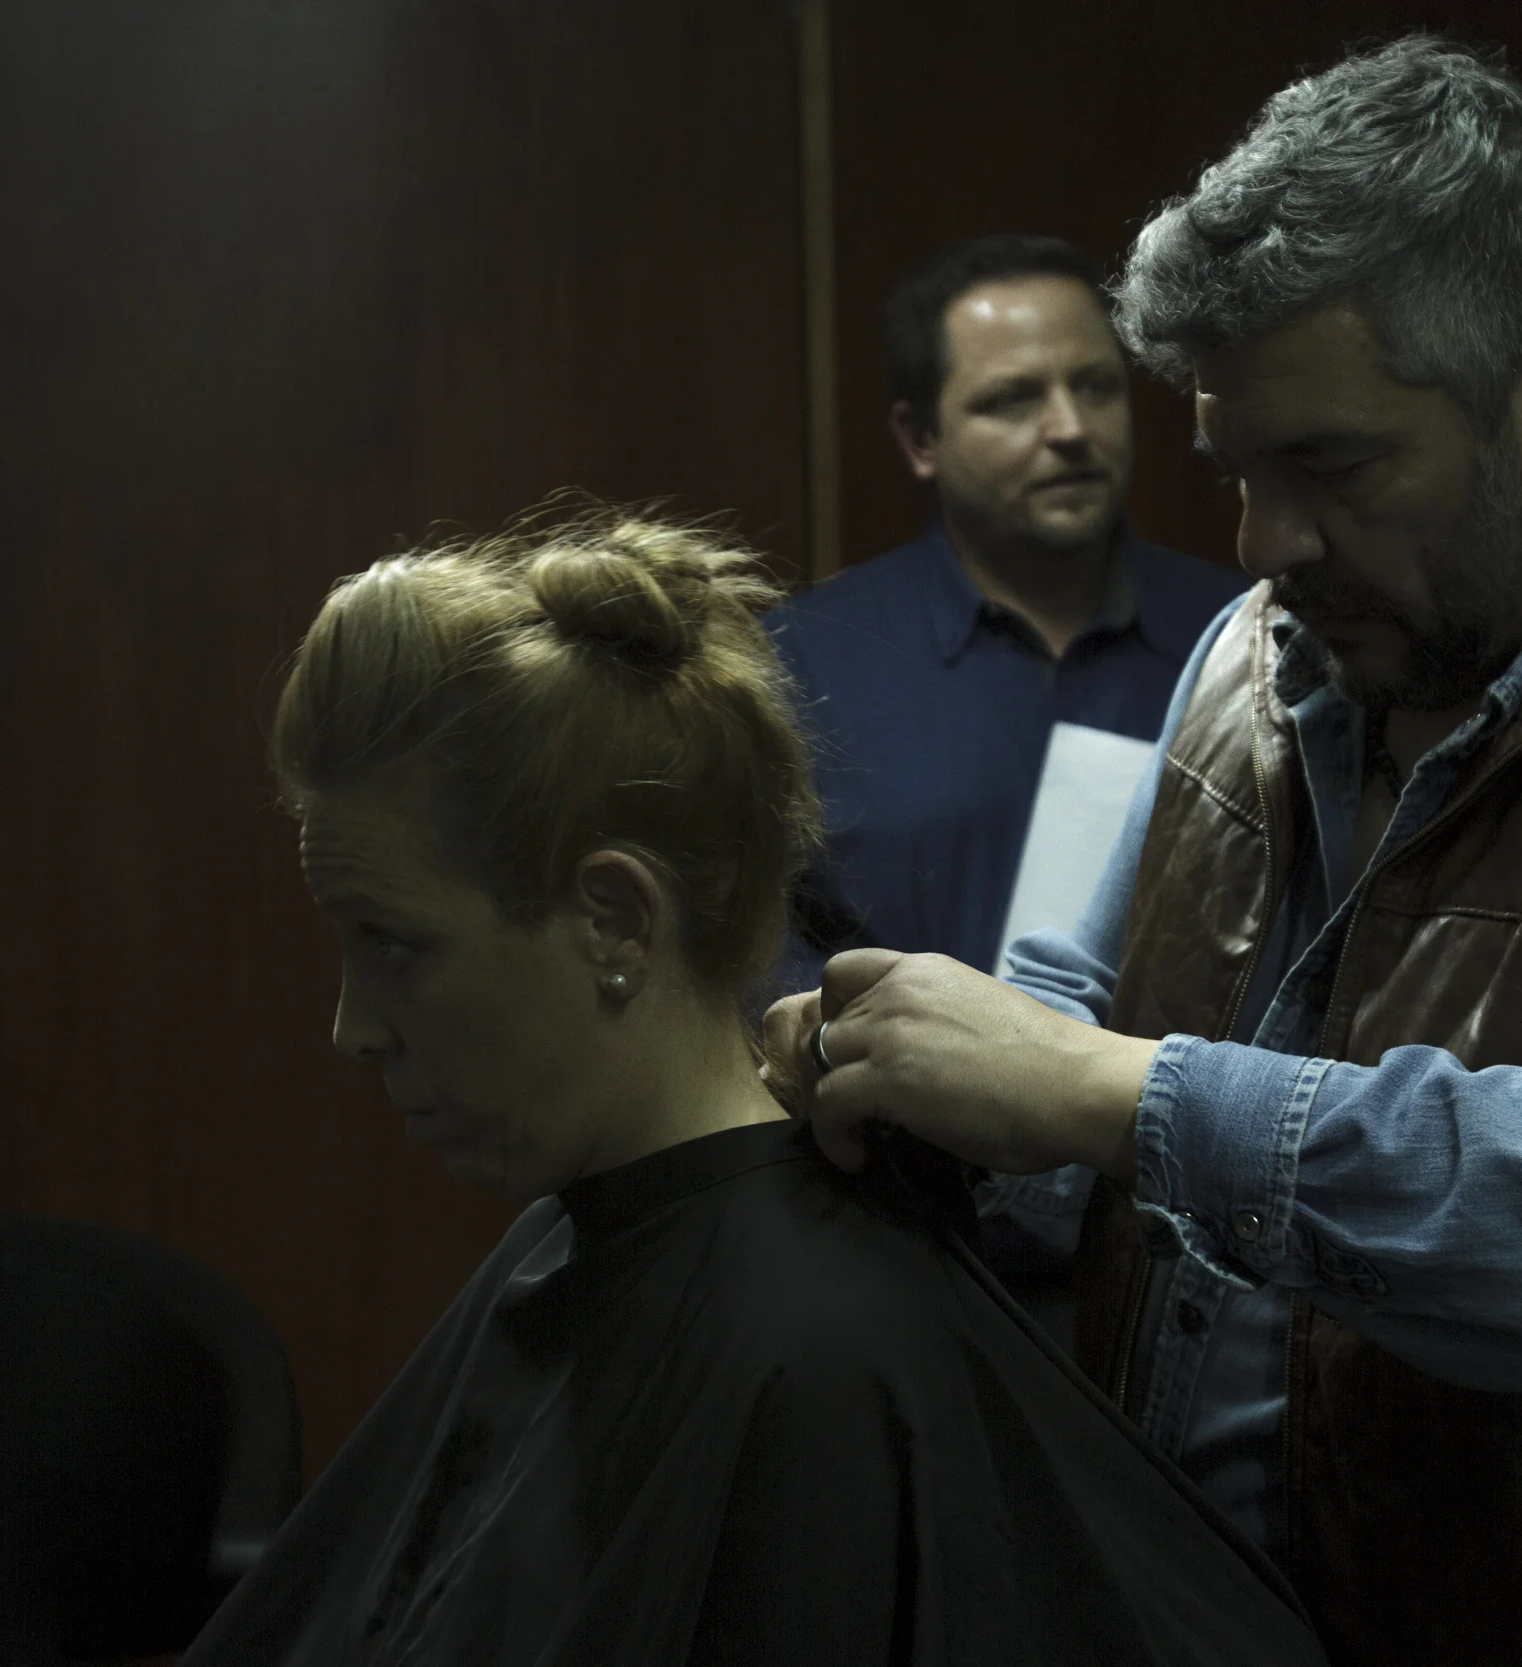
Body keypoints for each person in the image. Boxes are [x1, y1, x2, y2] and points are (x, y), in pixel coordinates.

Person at [765, 38, 1522, 1666]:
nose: (1263, 543)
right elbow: (1066, 1019)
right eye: (1238, 471)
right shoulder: (1252, 653)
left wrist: (1115, 1097)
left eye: (1331, 467)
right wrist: (919, 1090)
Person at [185, 511, 1324, 1666]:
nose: (354, 1028)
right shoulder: (587, 1242)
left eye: (393, 943)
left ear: (613, 918)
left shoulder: (817, 1356)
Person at [766, 235, 1245, 990]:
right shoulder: (799, 663)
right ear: (921, 439)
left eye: (1096, 387)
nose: (1070, 429)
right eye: (1013, 400)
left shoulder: (1248, 636)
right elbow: (750, 953)